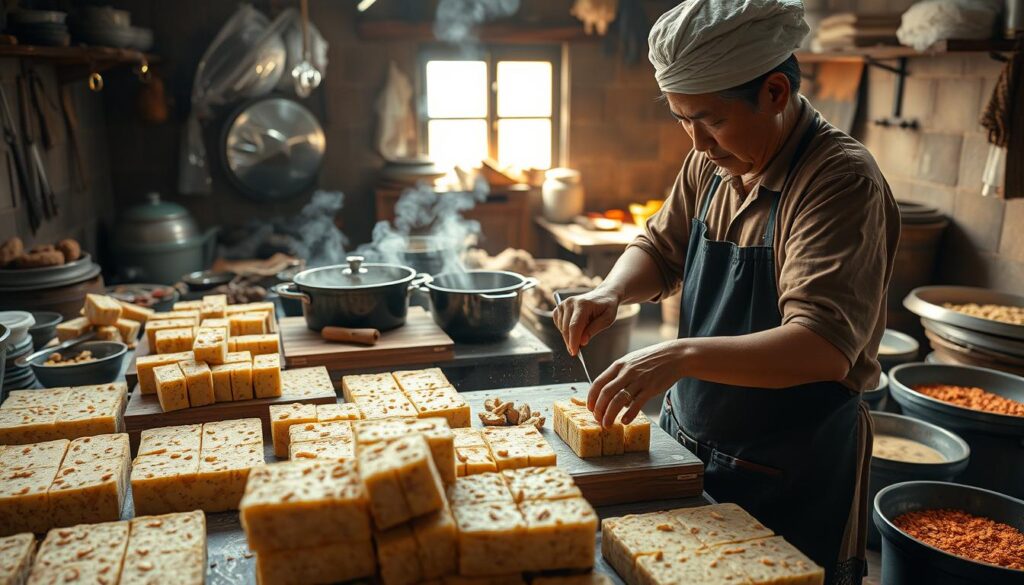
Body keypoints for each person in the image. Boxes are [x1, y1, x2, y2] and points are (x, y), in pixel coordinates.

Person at [552, 1, 900, 583]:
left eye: (710, 120)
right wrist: (610, 291)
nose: (696, 141)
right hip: (698, 439)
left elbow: (820, 345)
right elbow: (661, 248)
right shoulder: (712, 162)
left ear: (774, 92)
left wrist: (680, 354)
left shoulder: (838, 183)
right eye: (681, 119)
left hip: (791, 466)